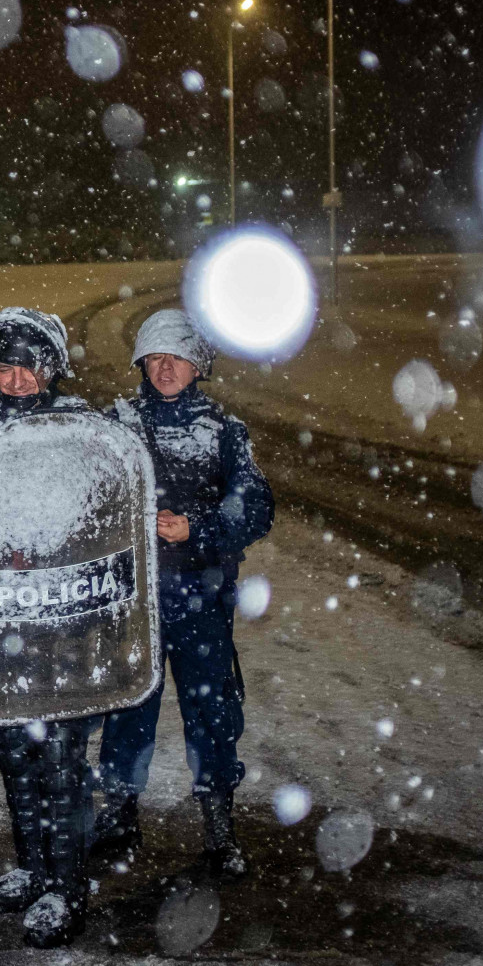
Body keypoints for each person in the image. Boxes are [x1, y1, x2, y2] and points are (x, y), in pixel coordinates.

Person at [94, 308, 273, 880]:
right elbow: (88, 499)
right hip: (132, 600)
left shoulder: (223, 430)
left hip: (201, 599)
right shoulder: (114, 423)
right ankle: (119, 822)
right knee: (127, 712)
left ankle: (220, 833)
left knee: (213, 714)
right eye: (155, 357)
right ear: (141, 362)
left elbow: (255, 506)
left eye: (178, 356)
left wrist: (198, 528)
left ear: (199, 364)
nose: (166, 368)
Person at [0, 307, 97, 948]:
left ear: (52, 370)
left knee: (62, 757)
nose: (14, 381)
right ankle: (34, 866)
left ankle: (68, 886)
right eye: (4, 369)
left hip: (63, 620)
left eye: (26, 368)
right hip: (4, 619)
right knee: (15, 752)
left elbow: (101, 515)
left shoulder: (85, 427)